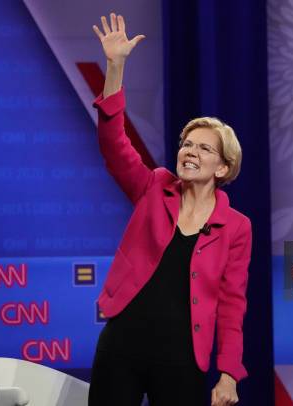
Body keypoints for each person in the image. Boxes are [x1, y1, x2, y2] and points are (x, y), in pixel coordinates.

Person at [88, 13, 250, 406]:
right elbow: (114, 146)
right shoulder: (154, 186)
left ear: (223, 167)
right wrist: (115, 67)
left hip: (182, 357)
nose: (189, 152)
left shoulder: (236, 226)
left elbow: (232, 303)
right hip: (122, 342)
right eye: (186, 143)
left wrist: (229, 373)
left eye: (203, 148)